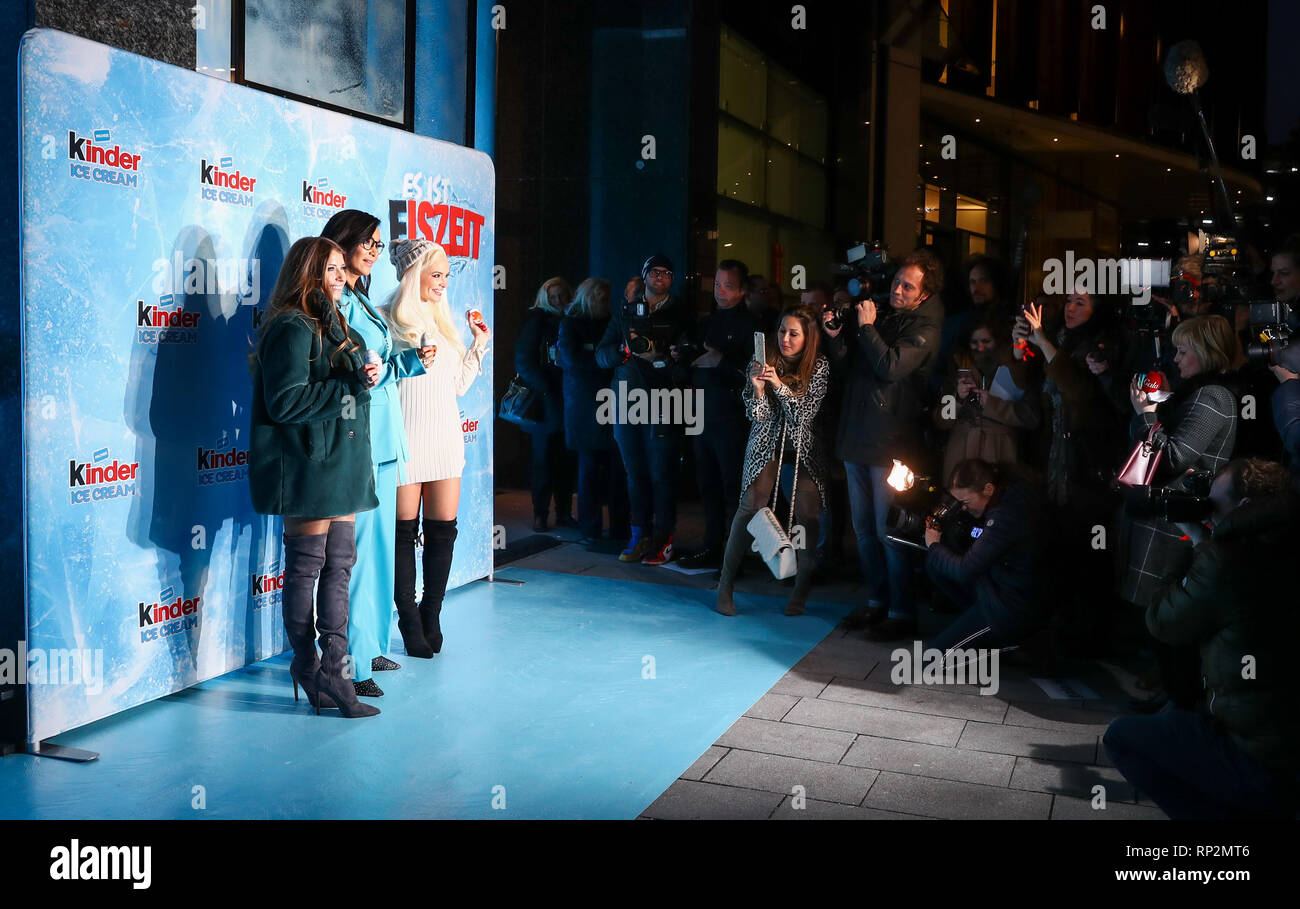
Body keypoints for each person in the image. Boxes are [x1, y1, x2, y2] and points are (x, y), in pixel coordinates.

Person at [1103, 458, 1300, 819]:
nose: (1206, 508)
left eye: (1214, 501)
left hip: (1262, 757)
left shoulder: (1228, 558)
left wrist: (1195, 545)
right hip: (1283, 738)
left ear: (1242, 506)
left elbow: (1162, 621)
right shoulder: (1285, 539)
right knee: (1177, 711)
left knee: (1123, 739)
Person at [248, 236, 380, 719]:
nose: (341, 276)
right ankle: (307, 666)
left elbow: (348, 388)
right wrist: (347, 384)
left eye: (343, 268)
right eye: (330, 268)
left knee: (339, 565)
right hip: (306, 463)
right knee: (307, 568)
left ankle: (335, 672)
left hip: (340, 462)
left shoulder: (337, 321)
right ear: (307, 273)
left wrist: (372, 372)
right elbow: (284, 402)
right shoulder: (291, 325)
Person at [321, 210, 433, 696]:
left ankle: (368, 647)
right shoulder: (331, 300)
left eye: (377, 243)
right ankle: (349, 666)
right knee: (356, 554)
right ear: (342, 244)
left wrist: (410, 360)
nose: (372, 250)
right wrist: (391, 368)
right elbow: (349, 371)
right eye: (366, 241)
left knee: (381, 548)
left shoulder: (361, 299)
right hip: (358, 435)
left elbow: (378, 363)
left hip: (386, 434)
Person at [824, 249, 945, 640]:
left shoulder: (926, 325)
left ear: (924, 294)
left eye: (907, 286)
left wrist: (865, 329)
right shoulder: (883, 315)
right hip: (857, 434)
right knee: (862, 530)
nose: (897, 289)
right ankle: (876, 603)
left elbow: (891, 367)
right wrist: (837, 337)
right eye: (896, 281)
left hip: (892, 443)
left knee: (889, 531)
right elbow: (851, 369)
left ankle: (901, 612)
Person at [386, 238, 491, 657]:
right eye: (436, 274)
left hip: (446, 440)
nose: (443, 283)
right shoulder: (386, 320)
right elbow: (379, 381)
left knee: (442, 532)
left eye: (446, 276)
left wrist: (478, 344)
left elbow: (458, 386)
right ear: (415, 275)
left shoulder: (445, 323)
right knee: (402, 534)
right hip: (406, 441)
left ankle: (431, 614)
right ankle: (408, 619)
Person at [716, 305, 829, 617]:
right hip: (766, 444)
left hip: (804, 448)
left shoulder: (818, 367)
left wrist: (778, 385)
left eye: (794, 333)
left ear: (807, 337)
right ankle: (725, 584)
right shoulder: (763, 361)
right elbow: (757, 416)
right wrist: (757, 390)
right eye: (782, 331)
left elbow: (803, 416)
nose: (786, 338)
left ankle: (800, 589)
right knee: (748, 508)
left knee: (808, 518)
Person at [1120, 314, 1239, 609]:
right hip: (1168, 518)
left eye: (1184, 351)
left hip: (1174, 524)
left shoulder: (1212, 396)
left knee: (1160, 619)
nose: (1176, 358)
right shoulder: (1198, 394)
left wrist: (1146, 414)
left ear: (1207, 352)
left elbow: (1173, 457)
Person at [596, 254, 696, 565]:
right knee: (635, 473)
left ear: (673, 279)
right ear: (645, 275)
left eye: (667, 273)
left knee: (661, 474)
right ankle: (639, 536)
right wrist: (624, 350)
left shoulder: (682, 314)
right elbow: (601, 356)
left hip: (666, 401)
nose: (660, 277)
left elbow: (690, 361)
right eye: (655, 272)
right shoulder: (626, 313)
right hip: (626, 401)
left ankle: (664, 540)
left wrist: (670, 358)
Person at [923, 459, 1051, 656]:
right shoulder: (1008, 494)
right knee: (936, 566)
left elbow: (964, 570)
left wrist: (933, 544)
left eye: (965, 503)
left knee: (931, 659)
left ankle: (1011, 645)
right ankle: (976, 626)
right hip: (996, 586)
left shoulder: (1007, 515)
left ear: (988, 489)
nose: (963, 509)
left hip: (1009, 608)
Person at [678, 259, 757, 569]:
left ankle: (737, 553)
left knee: (732, 487)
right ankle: (712, 546)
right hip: (702, 414)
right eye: (717, 285)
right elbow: (695, 362)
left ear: (741, 291)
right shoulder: (707, 322)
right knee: (707, 484)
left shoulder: (751, 325)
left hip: (730, 418)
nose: (721, 292)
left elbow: (755, 373)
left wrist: (721, 361)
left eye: (728, 286)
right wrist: (683, 357)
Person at [556, 277, 629, 543]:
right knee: (589, 470)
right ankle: (590, 529)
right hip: (585, 405)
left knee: (616, 469)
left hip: (607, 401)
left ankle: (618, 528)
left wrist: (601, 357)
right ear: (589, 297)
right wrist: (605, 358)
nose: (605, 302)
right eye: (601, 298)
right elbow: (572, 361)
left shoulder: (609, 321)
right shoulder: (571, 323)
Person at [933, 317, 1036, 483]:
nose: (980, 347)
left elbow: (1029, 417)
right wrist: (957, 398)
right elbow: (942, 419)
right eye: (974, 342)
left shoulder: (1015, 368)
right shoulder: (958, 367)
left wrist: (993, 405)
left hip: (999, 452)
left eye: (986, 341)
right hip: (961, 453)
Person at [516, 277, 576, 532]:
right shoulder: (538, 322)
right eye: (553, 297)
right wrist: (548, 388)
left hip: (568, 401)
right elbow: (524, 362)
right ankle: (540, 513)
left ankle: (563, 513)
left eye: (563, 295)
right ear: (545, 299)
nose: (559, 301)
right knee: (543, 462)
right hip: (545, 404)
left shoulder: (573, 321)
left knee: (566, 461)